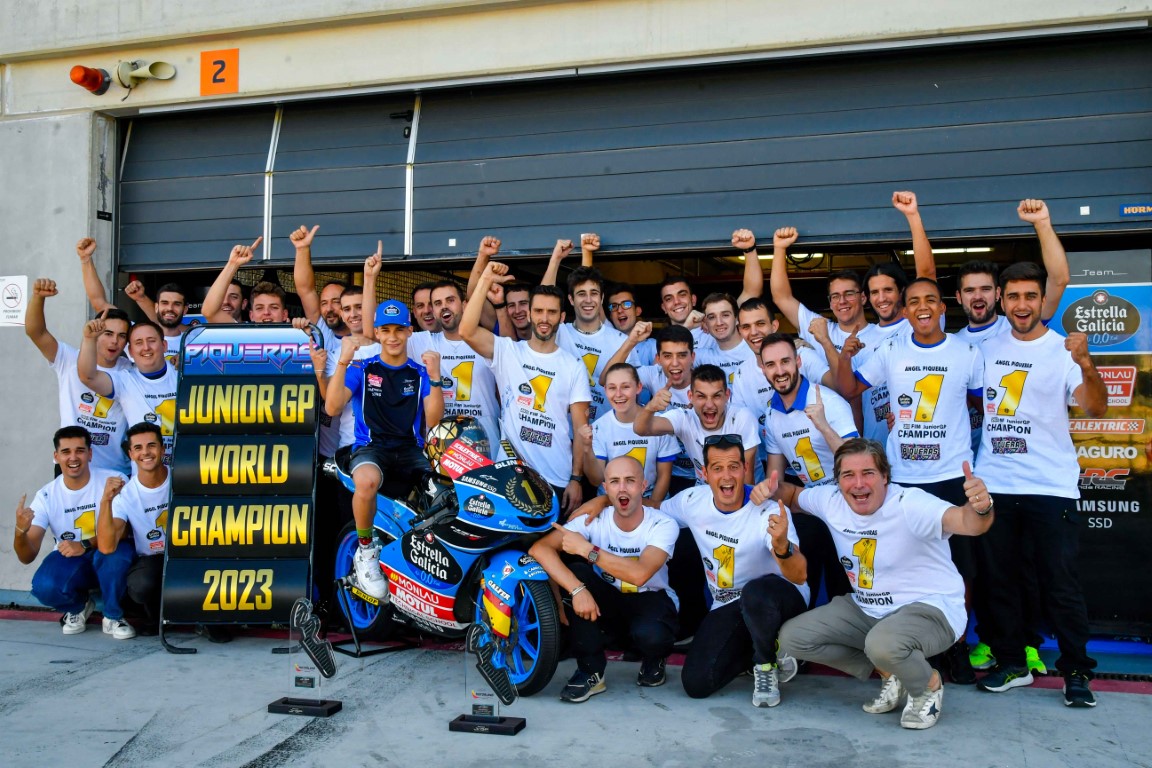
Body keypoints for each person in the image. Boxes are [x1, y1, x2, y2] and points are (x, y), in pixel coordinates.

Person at [777, 438, 995, 730]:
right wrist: (764, 489)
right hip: (869, 609)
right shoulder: (831, 501)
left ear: (885, 477)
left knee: (882, 644)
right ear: (837, 481)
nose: (858, 484)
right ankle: (891, 672)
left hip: (932, 608)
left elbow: (969, 523)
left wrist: (981, 507)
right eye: (848, 475)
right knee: (793, 637)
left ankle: (928, 685)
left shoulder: (910, 504)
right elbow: (792, 495)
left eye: (868, 473)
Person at [833, 278, 984, 683]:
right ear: (905, 309)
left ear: (943, 307)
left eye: (930, 300)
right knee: (904, 566)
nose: (922, 307)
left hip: (950, 476)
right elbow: (849, 388)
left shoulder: (966, 352)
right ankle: (910, 649)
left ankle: (956, 646)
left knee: (961, 568)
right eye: (913, 301)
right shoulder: (891, 350)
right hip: (903, 479)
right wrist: (845, 356)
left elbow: (984, 407)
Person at [974, 260, 1107, 707]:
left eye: (1030, 296)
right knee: (1001, 581)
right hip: (997, 485)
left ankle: (1076, 672)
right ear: (1000, 300)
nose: (1021, 304)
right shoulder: (984, 348)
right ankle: (1013, 662)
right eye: (1013, 296)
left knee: (1059, 584)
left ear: (1042, 300)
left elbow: (1095, 409)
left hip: (1051, 487)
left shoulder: (1062, 350)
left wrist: (1085, 363)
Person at [949, 199, 1072, 676]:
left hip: (1029, 469)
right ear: (960, 298)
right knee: (985, 566)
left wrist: (1042, 224)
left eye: (986, 288)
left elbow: (1057, 279)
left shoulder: (1016, 324)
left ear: (999, 296)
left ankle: (1028, 645)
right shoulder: (957, 342)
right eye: (970, 290)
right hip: (978, 466)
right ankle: (995, 642)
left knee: (1026, 566)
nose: (979, 297)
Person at [654, 436, 808, 705]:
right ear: (705, 474)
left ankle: (765, 665)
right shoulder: (692, 500)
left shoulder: (767, 510)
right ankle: (770, 647)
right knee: (697, 682)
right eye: (717, 468)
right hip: (728, 605)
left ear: (745, 469)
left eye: (734, 467)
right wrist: (602, 502)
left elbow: (799, 575)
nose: (726, 476)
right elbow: (651, 511)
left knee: (755, 592)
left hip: (777, 599)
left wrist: (782, 545)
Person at [529, 456, 680, 702]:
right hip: (607, 601)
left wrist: (588, 550)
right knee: (577, 574)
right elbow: (539, 549)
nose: (622, 488)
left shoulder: (663, 523)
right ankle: (591, 671)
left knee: (652, 636)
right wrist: (577, 590)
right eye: (615, 481)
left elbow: (640, 574)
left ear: (643, 486)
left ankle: (655, 657)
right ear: (605, 488)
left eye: (630, 481)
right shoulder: (594, 519)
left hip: (649, 598)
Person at [324, 300, 443, 599]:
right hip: (371, 448)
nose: (393, 337)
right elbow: (332, 407)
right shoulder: (362, 368)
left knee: (445, 492)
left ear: (409, 331)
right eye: (386, 330)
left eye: (399, 330)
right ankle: (365, 551)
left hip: (411, 451)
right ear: (376, 332)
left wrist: (435, 377)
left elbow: (434, 421)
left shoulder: (419, 372)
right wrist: (342, 362)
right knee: (366, 482)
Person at [460, 258, 592, 517]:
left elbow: (580, 428)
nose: (544, 318)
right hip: (509, 474)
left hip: (556, 477)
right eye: (539, 311)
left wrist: (576, 478)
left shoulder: (573, 366)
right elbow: (466, 330)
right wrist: (485, 279)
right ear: (530, 314)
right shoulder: (508, 351)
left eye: (552, 312)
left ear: (562, 317)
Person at [13, 427, 134, 638]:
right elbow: (27, 556)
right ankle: (78, 607)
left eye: (80, 450)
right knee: (44, 586)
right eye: (66, 452)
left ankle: (113, 616)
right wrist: (20, 531)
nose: (73, 457)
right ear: (56, 456)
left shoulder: (113, 479)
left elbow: (125, 532)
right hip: (72, 560)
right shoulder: (47, 495)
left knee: (115, 554)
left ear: (90, 454)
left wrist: (85, 544)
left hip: (107, 552)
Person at [25, 278, 132, 474]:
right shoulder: (69, 359)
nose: (114, 341)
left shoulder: (131, 370)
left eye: (122, 336)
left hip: (115, 470)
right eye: (108, 333)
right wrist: (38, 298)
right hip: (71, 466)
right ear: (95, 331)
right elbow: (36, 332)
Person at [408, 280, 501, 447]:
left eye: (450, 300)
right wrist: (370, 277)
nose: (444, 306)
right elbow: (377, 334)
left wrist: (486, 277)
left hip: (486, 443)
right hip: (441, 448)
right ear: (434, 311)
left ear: (465, 305)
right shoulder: (424, 341)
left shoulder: (486, 342)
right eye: (438, 303)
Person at [97, 421, 169, 635]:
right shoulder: (125, 494)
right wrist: (106, 501)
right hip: (152, 558)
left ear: (163, 449)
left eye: (151, 445)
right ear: (130, 454)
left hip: (187, 555)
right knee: (140, 585)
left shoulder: (182, 477)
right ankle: (154, 617)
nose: (145, 452)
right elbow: (107, 547)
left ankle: (207, 622)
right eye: (138, 447)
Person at [634, 364, 760, 486]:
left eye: (716, 396)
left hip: (741, 491)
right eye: (701, 396)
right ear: (690, 396)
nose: (709, 405)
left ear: (727, 395)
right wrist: (650, 408)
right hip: (704, 491)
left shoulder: (742, 418)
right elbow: (641, 429)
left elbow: (746, 480)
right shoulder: (684, 418)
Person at [78, 316, 178, 464]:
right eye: (138, 343)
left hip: (186, 469)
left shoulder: (183, 372)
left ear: (164, 345)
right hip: (145, 474)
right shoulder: (125, 380)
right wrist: (89, 339)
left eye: (151, 340)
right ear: (130, 351)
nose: (146, 347)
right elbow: (88, 377)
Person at [582, 363, 678, 506]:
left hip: (650, 502)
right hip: (611, 503)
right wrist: (587, 449)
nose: (618, 394)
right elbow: (596, 480)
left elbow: (664, 477)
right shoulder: (599, 427)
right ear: (605, 390)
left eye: (625, 387)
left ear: (639, 387)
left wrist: (649, 510)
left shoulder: (660, 423)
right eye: (612, 388)